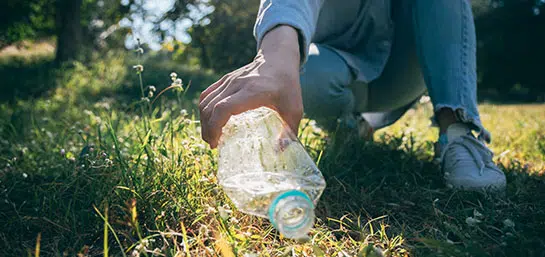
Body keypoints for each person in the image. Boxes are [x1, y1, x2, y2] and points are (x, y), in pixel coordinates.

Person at [198, 0, 507, 191]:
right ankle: (351, 125)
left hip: (405, 66)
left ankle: (458, 132)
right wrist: (276, 58)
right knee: (303, 71)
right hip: (340, 66)